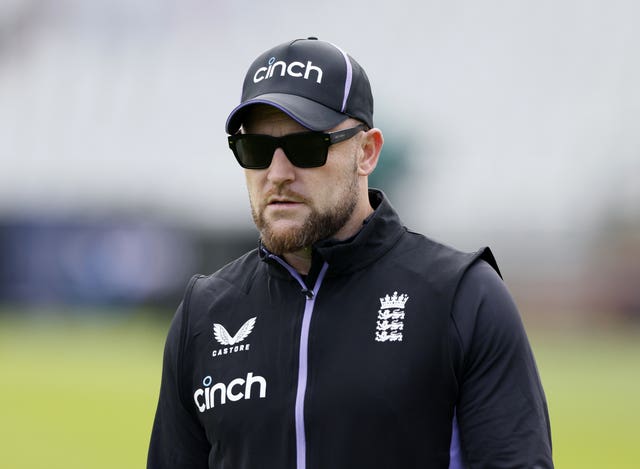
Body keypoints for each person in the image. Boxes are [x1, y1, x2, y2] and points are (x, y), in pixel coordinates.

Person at [147, 37, 553, 469]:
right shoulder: (204, 313)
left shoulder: (462, 296)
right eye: (256, 150)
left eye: (306, 147)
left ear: (367, 152)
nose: (278, 174)